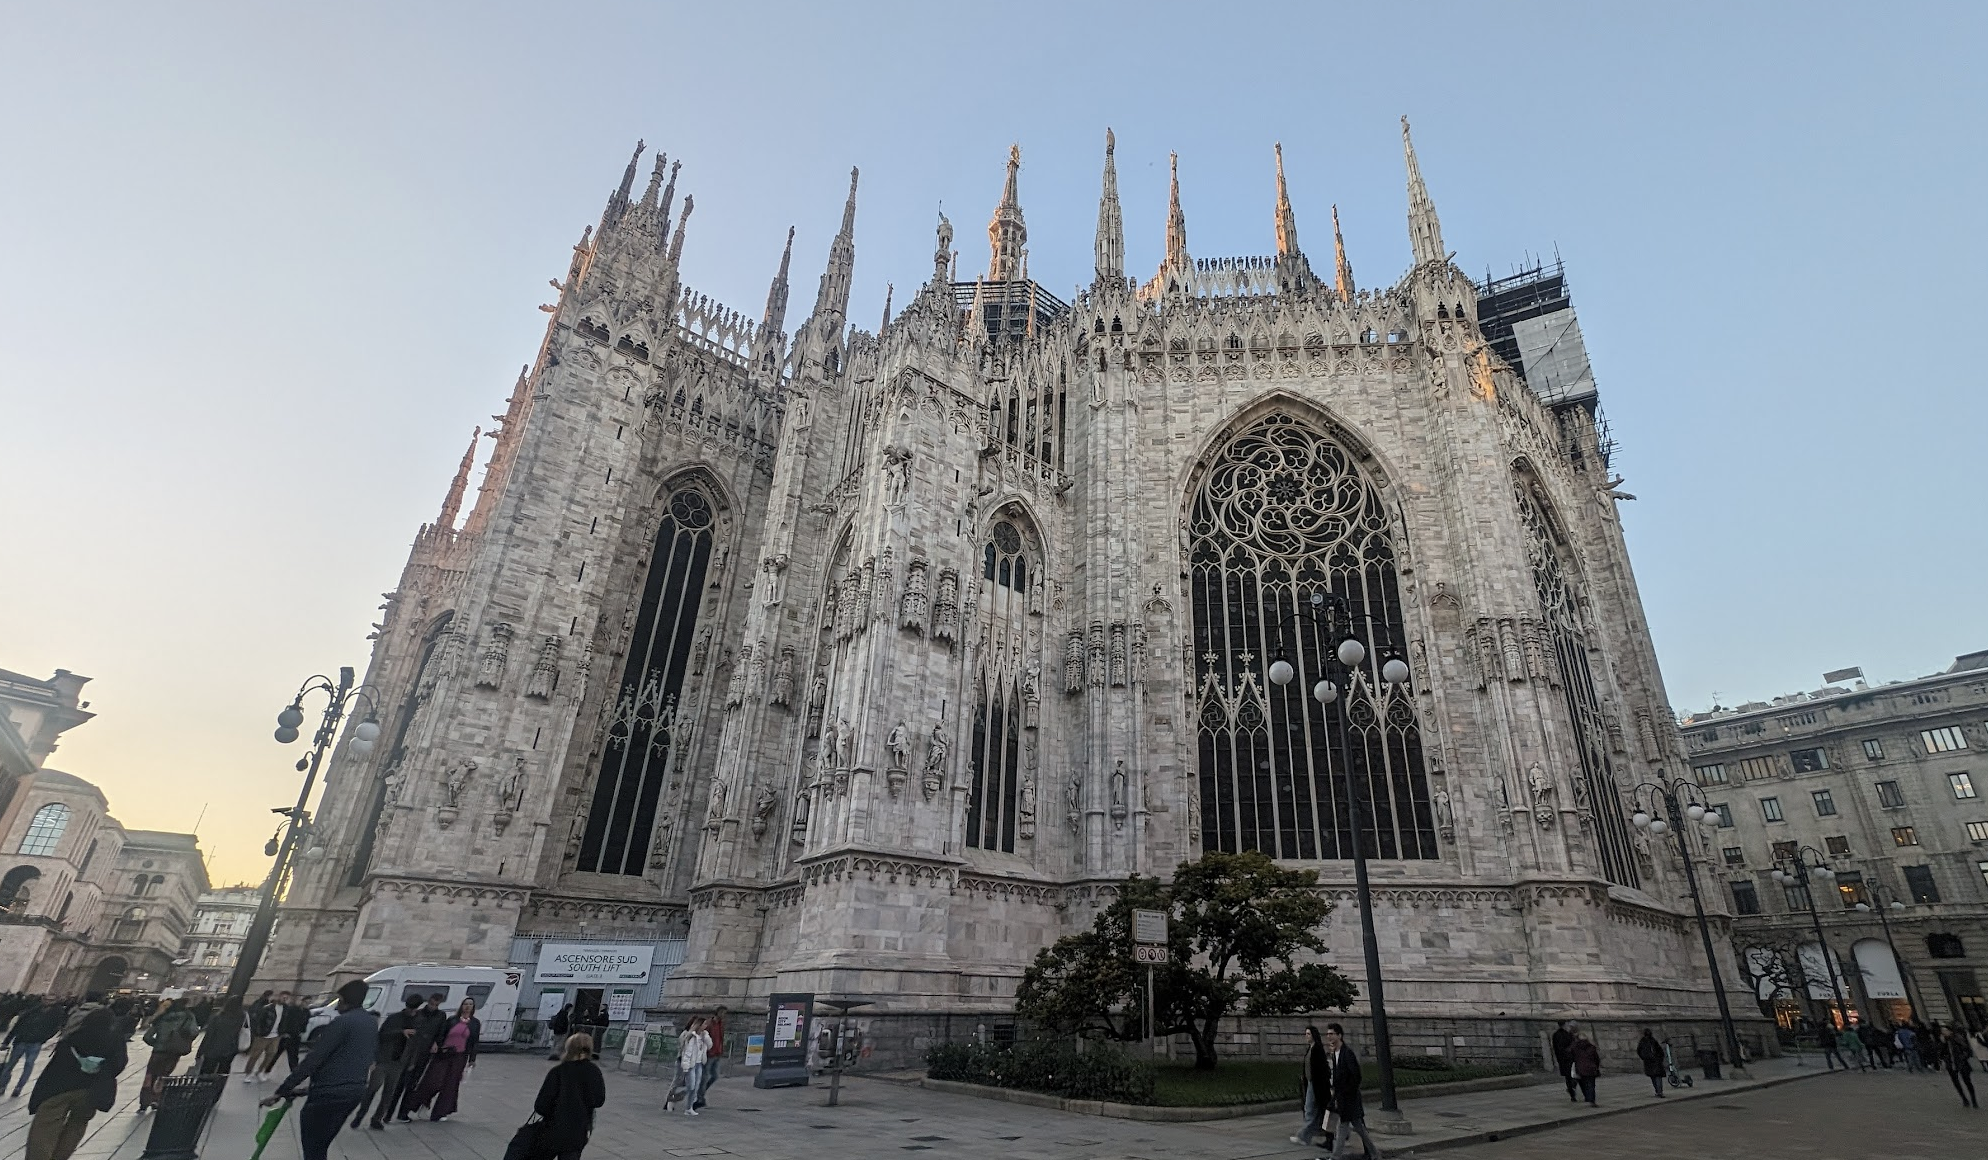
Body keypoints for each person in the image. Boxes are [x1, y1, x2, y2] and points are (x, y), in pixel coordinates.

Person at [263, 980, 378, 1160]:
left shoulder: (342, 1022)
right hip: (354, 1091)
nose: (337, 1004)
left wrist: (282, 1090)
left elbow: (314, 1059)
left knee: (313, 1146)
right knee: (321, 1144)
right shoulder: (370, 1022)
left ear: (345, 1000)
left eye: (339, 999)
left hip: (329, 1094)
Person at [25, 1007, 127, 1160]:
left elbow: (56, 1065)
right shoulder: (116, 1039)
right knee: (77, 1126)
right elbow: (119, 1063)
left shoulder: (76, 1035)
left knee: (45, 1128)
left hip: (61, 1088)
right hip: (91, 1091)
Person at [530, 1032, 608, 1160]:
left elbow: (541, 1106)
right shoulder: (594, 1071)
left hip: (552, 1129)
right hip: (578, 1131)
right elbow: (598, 1100)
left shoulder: (558, 1072)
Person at [352, 994, 421, 1130]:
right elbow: (382, 1035)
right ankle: (360, 1115)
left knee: (389, 1093)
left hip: (400, 1061)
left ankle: (377, 1119)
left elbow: (416, 1043)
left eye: (414, 1010)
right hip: (384, 1059)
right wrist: (401, 1032)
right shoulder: (394, 1018)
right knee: (372, 1089)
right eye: (410, 1009)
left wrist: (412, 1061)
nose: (412, 1012)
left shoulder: (419, 1021)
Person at [404, 997, 479, 1122]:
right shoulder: (452, 1020)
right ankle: (420, 1103)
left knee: (450, 1085)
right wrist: (437, 1045)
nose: (467, 1006)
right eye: (465, 1004)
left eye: (470, 1004)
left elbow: (474, 1042)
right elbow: (442, 1034)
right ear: (462, 1005)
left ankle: (440, 1112)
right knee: (433, 1081)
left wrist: (472, 1059)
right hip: (444, 1054)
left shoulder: (475, 1023)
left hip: (459, 1056)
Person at [1320, 1023, 1381, 1160]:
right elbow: (1336, 1078)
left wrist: (1346, 1092)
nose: (1329, 1036)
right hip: (1342, 1097)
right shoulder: (1335, 1054)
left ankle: (1336, 1157)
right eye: (1328, 1034)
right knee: (1358, 1128)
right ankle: (1374, 1153)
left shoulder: (1347, 1054)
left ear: (1339, 1036)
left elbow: (1356, 1076)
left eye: (1332, 1034)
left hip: (1349, 1098)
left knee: (1343, 1128)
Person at [390, 993, 446, 1120]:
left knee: (412, 1085)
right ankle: (389, 1112)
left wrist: (437, 1043)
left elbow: (441, 1032)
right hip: (411, 1052)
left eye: (436, 1005)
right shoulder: (418, 1013)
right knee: (400, 1084)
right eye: (432, 1004)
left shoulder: (441, 1016)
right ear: (428, 1001)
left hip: (424, 1053)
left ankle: (403, 1112)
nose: (433, 1007)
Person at [138, 998, 199, 1111]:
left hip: (158, 1051)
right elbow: (194, 1031)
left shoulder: (162, 1017)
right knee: (163, 1075)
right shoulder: (188, 1016)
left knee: (150, 1075)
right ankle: (156, 1099)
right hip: (173, 1051)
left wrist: (157, 1043)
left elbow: (147, 1037)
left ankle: (144, 1102)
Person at [3, 998, 65, 1097]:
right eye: (46, 998)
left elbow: (55, 1028)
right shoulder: (34, 1009)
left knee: (28, 1065)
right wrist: (7, 1040)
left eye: (50, 999)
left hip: (35, 1042)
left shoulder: (56, 1013)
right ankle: (2, 1085)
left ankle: (19, 1087)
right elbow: (19, 1024)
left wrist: (43, 1038)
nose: (47, 1001)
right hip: (21, 1040)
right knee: (10, 1064)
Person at [1288, 1024, 1331, 1148]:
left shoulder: (1317, 1049)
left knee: (1310, 1110)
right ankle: (1338, 1133)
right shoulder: (1311, 1048)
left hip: (1316, 1084)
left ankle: (1303, 1136)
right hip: (1311, 1083)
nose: (1306, 1036)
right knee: (1314, 1111)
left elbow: (1321, 1069)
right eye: (1306, 1034)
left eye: (1308, 1034)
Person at [664, 1016, 709, 1115]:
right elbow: (683, 1049)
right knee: (679, 1081)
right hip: (683, 1061)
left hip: (696, 1062)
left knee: (692, 1085)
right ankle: (671, 1099)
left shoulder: (702, 1036)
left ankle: (687, 1105)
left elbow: (706, 1046)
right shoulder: (686, 1034)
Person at [195, 994, 245, 1076]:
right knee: (223, 1072)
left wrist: (200, 1052)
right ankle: (218, 1087)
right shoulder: (242, 1018)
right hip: (230, 1050)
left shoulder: (218, 1017)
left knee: (207, 1072)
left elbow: (209, 1036)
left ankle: (203, 1085)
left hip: (213, 1049)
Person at [242, 991, 281, 1082]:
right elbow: (255, 1017)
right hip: (262, 1035)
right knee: (255, 1055)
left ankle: (260, 1072)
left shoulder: (282, 1008)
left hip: (275, 1035)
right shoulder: (262, 1004)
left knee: (270, 1054)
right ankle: (248, 1073)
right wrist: (258, 1031)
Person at [694, 1006, 727, 1110]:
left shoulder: (721, 1024)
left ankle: (701, 1092)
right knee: (704, 1077)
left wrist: (721, 1049)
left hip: (717, 1053)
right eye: (722, 1013)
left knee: (715, 1076)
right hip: (709, 1054)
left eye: (725, 1013)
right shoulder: (708, 1024)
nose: (723, 1015)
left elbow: (721, 1038)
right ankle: (700, 1098)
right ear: (717, 1013)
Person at [273, 990, 311, 1074]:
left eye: (308, 1003)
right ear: (302, 1001)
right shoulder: (292, 1009)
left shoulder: (307, 1012)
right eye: (306, 1002)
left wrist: (302, 1031)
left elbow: (305, 1023)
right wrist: (284, 1032)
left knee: (294, 1055)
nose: (306, 1005)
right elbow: (286, 1021)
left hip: (296, 1035)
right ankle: (266, 1070)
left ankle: (295, 1072)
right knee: (276, 1053)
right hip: (287, 1035)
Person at [1943, 1025, 1978, 1108]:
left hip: (1961, 1064)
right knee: (1956, 1083)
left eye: (1945, 1030)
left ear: (1950, 1031)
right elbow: (1940, 1052)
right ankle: (1964, 1099)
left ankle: (1974, 1100)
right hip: (1951, 1065)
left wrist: (1961, 1058)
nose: (1943, 1032)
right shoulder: (1943, 1041)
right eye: (1942, 1031)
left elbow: (1967, 1050)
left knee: (1967, 1082)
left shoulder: (1957, 1038)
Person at [1570, 1029, 1602, 1106]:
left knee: (1583, 1083)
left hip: (1580, 1068)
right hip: (1591, 1068)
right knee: (1591, 1084)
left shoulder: (1575, 1047)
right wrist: (1596, 1066)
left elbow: (1570, 1056)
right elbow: (1596, 1059)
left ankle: (1587, 1096)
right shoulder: (1591, 1047)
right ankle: (1591, 1100)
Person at [1550, 1020, 1579, 1102]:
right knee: (1574, 1075)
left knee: (1568, 1077)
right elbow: (1572, 1045)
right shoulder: (1567, 1035)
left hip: (1562, 1059)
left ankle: (1572, 1094)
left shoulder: (1555, 1035)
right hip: (1569, 1058)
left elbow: (1555, 1048)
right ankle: (1572, 1089)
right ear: (1564, 1025)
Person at [1634, 1028, 1666, 1097]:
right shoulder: (1652, 1041)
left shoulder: (1643, 1041)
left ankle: (1658, 1091)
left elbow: (1639, 1051)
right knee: (1657, 1076)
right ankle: (1659, 1091)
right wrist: (1660, 1058)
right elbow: (1660, 1051)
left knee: (1654, 1077)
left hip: (1649, 1061)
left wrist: (1644, 1057)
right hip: (1654, 1061)